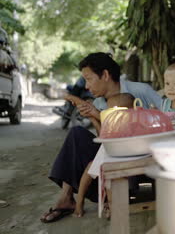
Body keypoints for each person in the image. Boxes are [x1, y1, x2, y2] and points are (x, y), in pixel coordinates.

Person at [40, 52, 163, 223]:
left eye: (89, 79)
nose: (87, 87)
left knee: (119, 154)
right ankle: (67, 198)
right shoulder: (98, 103)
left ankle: (114, 196)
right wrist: (94, 117)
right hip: (114, 154)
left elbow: (169, 117)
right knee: (77, 134)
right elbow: (104, 139)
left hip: (145, 158)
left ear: (105, 75)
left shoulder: (140, 91)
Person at [73, 93, 135, 218]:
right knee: (91, 170)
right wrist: (92, 117)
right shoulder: (113, 123)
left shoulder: (132, 123)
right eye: (108, 110)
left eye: (112, 111)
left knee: (108, 176)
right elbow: (102, 135)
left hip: (122, 159)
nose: (108, 113)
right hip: (107, 153)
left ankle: (111, 206)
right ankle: (79, 202)